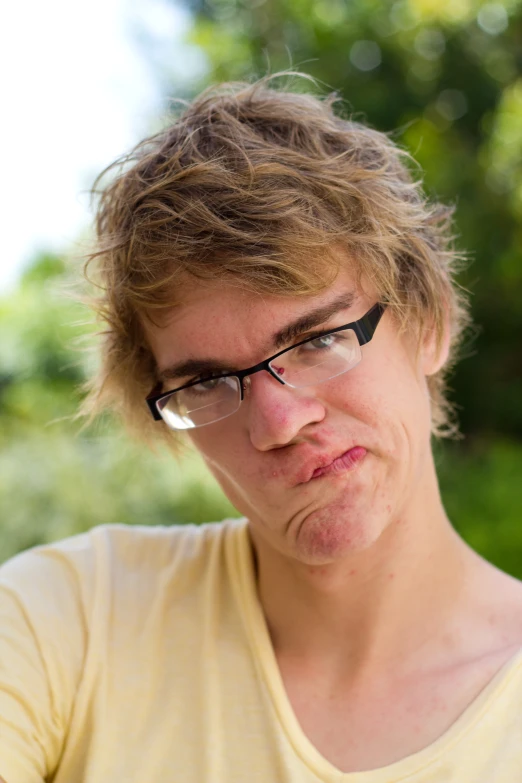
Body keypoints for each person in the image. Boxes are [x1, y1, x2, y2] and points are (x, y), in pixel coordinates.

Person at [1, 74, 521, 783]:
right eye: (209, 382)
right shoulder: (65, 621)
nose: (278, 421)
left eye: (317, 340)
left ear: (424, 323)